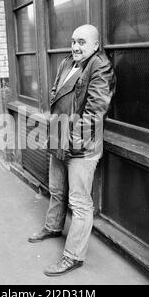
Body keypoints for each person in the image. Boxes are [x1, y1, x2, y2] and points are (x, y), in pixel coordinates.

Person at [28, 24, 115, 277]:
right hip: (59, 138)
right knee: (56, 189)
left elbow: (95, 112)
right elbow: (57, 93)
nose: (76, 46)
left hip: (80, 146)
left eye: (82, 42)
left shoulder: (100, 66)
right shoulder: (67, 62)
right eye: (73, 41)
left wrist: (70, 141)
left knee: (79, 202)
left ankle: (74, 256)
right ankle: (53, 227)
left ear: (96, 45)